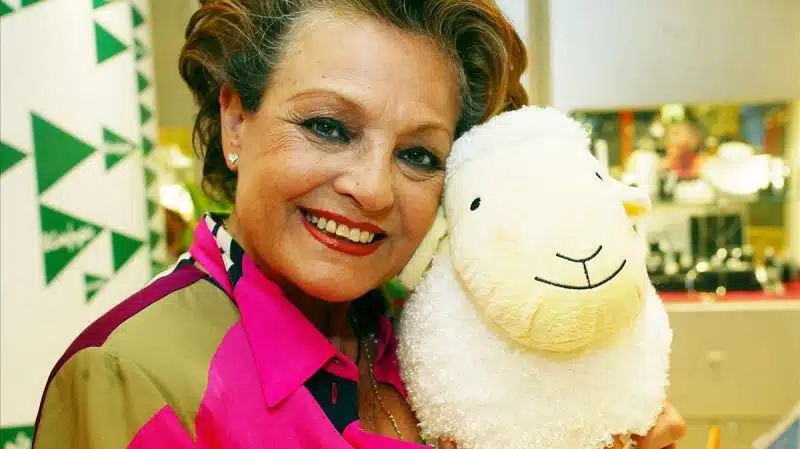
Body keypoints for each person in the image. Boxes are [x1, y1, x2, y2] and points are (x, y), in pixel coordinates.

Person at [32, 1, 686, 448]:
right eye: (327, 126)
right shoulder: (132, 375)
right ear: (235, 121)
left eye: (418, 155)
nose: (372, 189)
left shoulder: (440, 337)